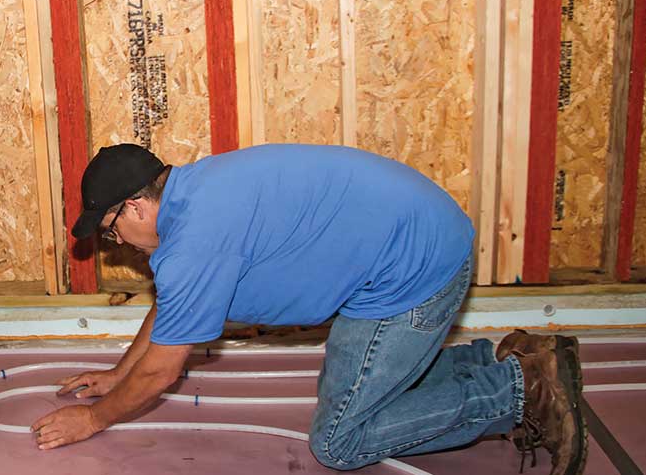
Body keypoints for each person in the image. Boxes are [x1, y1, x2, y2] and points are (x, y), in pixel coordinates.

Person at [32, 143, 587, 475]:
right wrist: (115, 376)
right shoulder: (195, 193)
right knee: (351, 392)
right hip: (420, 238)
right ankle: (500, 361)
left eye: (113, 231)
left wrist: (94, 419)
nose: (121, 245)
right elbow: (175, 307)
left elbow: (164, 368)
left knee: (339, 441)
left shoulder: (195, 241)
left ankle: (517, 391)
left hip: (410, 272)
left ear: (133, 205)